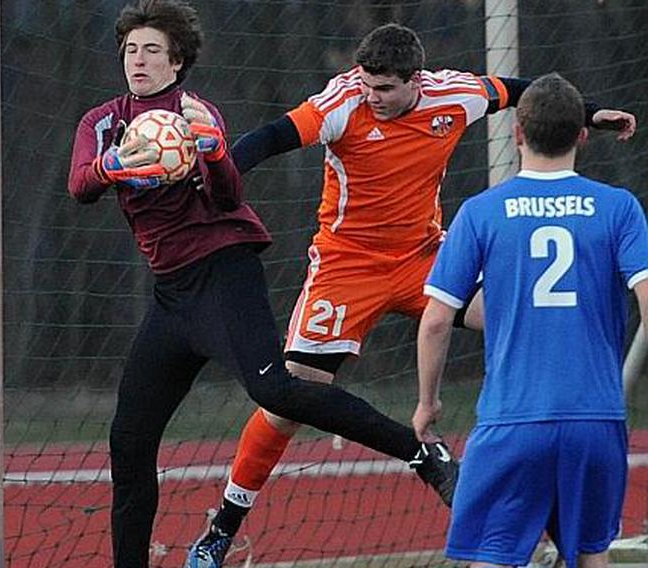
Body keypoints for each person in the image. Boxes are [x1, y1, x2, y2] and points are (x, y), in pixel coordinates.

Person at [187, 23, 638, 568]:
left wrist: (592, 113)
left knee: (521, 317)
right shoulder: (343, 101)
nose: (371, 97)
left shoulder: (455, 95)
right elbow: (269, 139)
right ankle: (221, 529)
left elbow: (523, 92)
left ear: (415, 81)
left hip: (426, 258)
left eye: (384, 90)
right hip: (346, 265)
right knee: (288, 401)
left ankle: (544, 496)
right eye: (367, 85)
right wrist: (220, 174)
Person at [67, 4, 463, 567]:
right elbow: (80, 184)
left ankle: (420, 454)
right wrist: (116, 166)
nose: (139, 60)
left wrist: (208, 153)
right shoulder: (102, 122)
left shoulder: (197, 113)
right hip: (171, 294)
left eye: (152, 50)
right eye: (131, 50)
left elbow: (229, 196)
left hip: (224, 270)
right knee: (128, 441)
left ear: (176, 61)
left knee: (274, 391)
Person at [414, 72, 647, 568]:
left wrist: (427, 404)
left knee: (492, 558)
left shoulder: (481, 213)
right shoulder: (620, 208)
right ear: (582, 134)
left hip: (512, 420)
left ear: (517, 132)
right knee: (590, 556)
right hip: (596, 419)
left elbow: (436, 321)